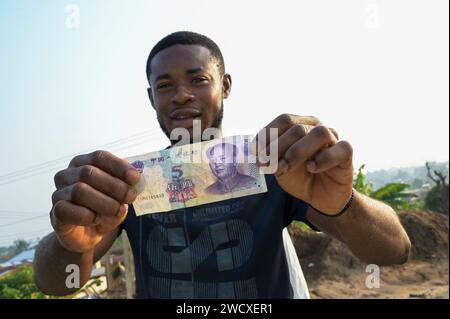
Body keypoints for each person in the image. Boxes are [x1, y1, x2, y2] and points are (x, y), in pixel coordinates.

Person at [34, 31, 411, 298]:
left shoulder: (275, 166)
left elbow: (394, 251)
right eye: (164, 86)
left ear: (225, 85)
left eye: (198, 79)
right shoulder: (127, 185)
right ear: (151, 98)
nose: (182, 94)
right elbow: (57, 284)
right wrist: (70, 245)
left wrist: (345, 207)